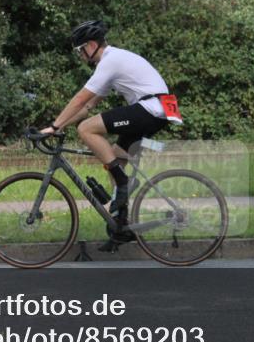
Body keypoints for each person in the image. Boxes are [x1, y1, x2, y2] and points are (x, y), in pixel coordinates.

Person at [39, 20, 182, 251]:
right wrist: (62, 125)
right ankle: (121, 227)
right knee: (115, 157)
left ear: (92, 45)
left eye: (80, 50)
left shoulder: (110, 60)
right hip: (155, 110)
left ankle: (124, 184)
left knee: (86, 129)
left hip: (150, 108)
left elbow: (80, 99)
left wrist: (54, 127)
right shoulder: (113, 62)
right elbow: (87, 107)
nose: (80, 55)